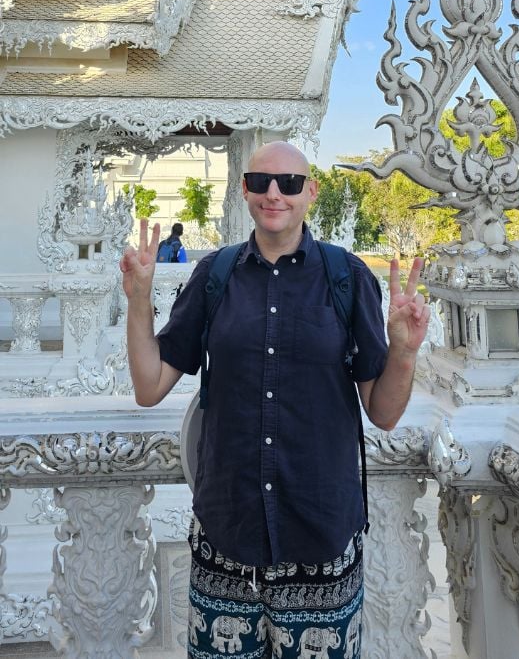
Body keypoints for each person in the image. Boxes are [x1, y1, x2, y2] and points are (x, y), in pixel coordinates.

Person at [120, 141, 430, 659]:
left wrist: (403, 351)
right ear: (243, 190)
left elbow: (384, 412)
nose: (273, 194)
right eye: (260, 182)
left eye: (288, 184)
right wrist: (137, 302)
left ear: (310, 192)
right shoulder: (215, 276)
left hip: (320, 533)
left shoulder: (346, 277)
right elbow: (150, 387)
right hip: (228, 532)